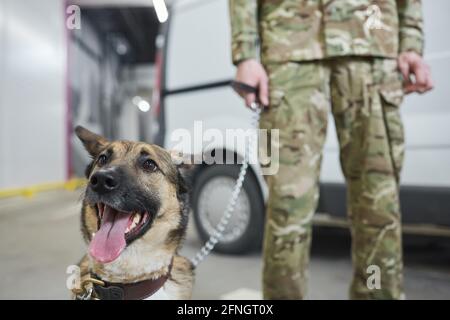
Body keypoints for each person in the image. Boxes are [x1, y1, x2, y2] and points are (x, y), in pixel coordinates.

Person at [229, 0, 433, 299]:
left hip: (371, 47)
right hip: (291, 49)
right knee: (288, 206)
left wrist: (412, 42)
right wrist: (245, 52)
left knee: (377, 204)